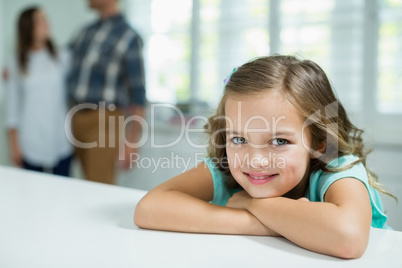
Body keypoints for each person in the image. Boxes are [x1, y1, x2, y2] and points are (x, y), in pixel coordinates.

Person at [134, 55, 394, 259]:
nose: (255, 161)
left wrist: (256, 205)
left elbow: (348, 238)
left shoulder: (338, 168)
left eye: (280, 141)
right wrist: (264, 223)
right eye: (239, 139)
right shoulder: (226, 166)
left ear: (318, 143)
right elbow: (149, 209)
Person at [66, 0, 146, 184]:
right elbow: (58, 62)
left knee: (99, 185)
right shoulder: (84, 33)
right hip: (75, 117)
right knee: (78, 184)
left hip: (104, 119)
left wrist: (132, 142)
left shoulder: (128, 36)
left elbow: (138, 92)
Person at [5, 6, 73, 176]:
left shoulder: (63, 58)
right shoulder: (14, 64)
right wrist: (14, 146)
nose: (45, 24)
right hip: (30, 142)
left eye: (45, 19)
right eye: (39, 21)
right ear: (27, 27)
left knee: (63, 195)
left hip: (61, 141)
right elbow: (11, 109)